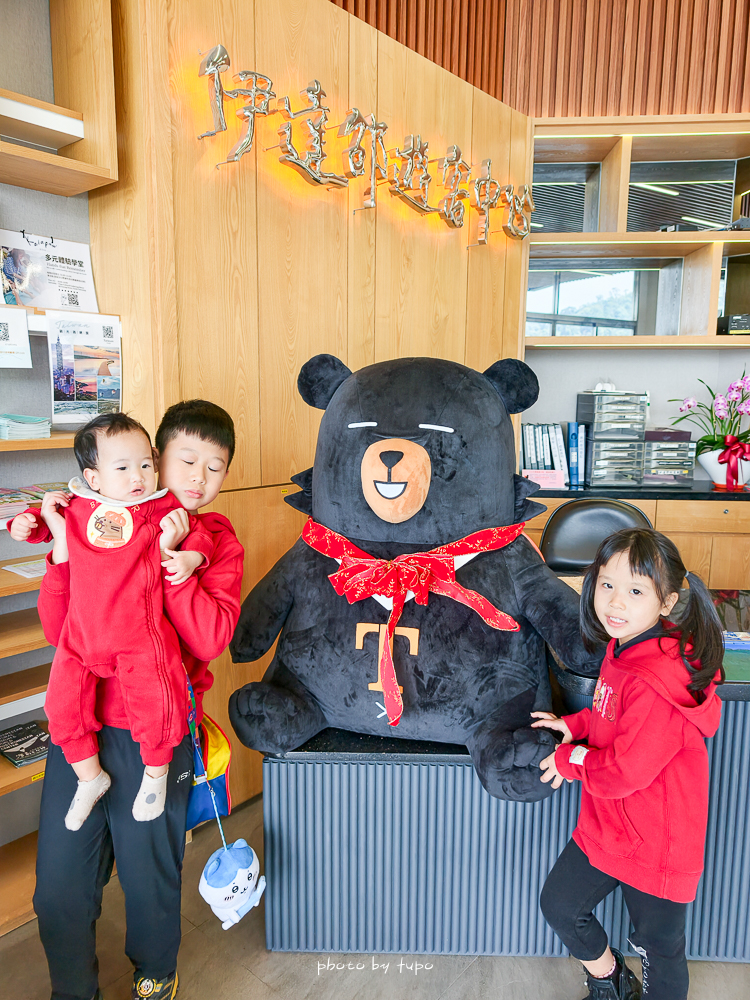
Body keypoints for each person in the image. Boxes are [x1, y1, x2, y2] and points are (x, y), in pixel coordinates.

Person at [27, 401, 244, 1000]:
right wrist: (63, 556)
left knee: (150, 878)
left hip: (157, 732)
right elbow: (57, 627)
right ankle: (73, 990)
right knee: (59, 888)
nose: (198, 479)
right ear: (156, 462)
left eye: (216, 467)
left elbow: (209, 638)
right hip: (81, 733)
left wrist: (173, 571)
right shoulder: (98, 524)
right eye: (185, 460)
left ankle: (156, 979)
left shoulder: (215, 541)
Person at [532, 528, 724, 1000]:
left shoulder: (657, 676)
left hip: (657, 839)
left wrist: (568, 758)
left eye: (635, 591)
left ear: (666, 602)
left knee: (660, 950)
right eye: (606, 584)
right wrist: (575, 725)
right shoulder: (625, 646)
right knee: (560, 905)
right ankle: (611, 980)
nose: (615, 602)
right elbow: (609, 711)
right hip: (612, 824)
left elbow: (624, 771)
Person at [10, 412, 212, 831]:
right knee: (61, 708)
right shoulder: (79, 507)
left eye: (145, 464)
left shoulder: (158, 507)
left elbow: (198, 532)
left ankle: (155, 776)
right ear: (94, 477)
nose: (138, 476)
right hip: (80, 636)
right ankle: (89, 776)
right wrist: (25, 524)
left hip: (137, 634)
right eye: (122, 468)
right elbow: (40, 525)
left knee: (156, 702)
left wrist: (192, 556)